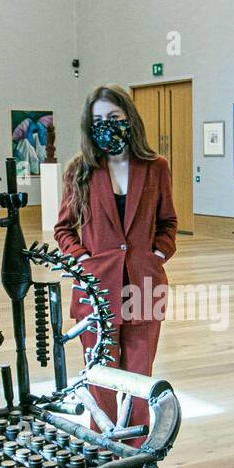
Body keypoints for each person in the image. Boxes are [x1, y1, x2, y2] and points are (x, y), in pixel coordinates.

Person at [54, 85, 178, 442]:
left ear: (129, 119)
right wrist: (83, 261)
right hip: (95, 289)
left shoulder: (155, 167)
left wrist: (157, 254)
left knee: (140, 378)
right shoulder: (80, 169)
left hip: (144, 286)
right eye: (97, 120)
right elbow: (63, 228)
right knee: (102, 378)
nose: (105, 126)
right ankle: (103, 451)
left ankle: (138, 454)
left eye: (113, 118)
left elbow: (168, 222)